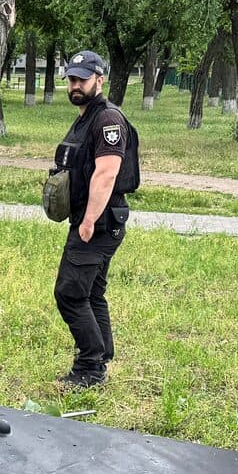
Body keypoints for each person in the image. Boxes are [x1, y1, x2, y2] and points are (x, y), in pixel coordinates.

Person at [51, 50, 139, 387]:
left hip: (99, 222)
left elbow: (106, 174)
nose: (75, 85)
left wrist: (88, 221)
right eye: (71, 79)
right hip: (96, 219)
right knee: (91, 293)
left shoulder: (108, 120)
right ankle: (101, 357)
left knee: (70, 293)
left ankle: (89, 369)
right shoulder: (87, 117)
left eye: (82, 80)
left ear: (99, 80)